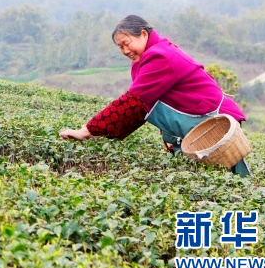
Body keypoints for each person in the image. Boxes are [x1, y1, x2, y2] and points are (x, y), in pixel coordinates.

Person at [59, 15, 250, 176]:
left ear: (143, 34)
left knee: (226, 176)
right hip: (198, 122)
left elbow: (133, 102)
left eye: (126, 44)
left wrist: (87, 130)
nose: (125, 51)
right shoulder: (147, 57)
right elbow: (141, 106)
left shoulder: (160, 56)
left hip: (213, 122)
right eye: (120, 47)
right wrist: (95, 129)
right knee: (208, 176)